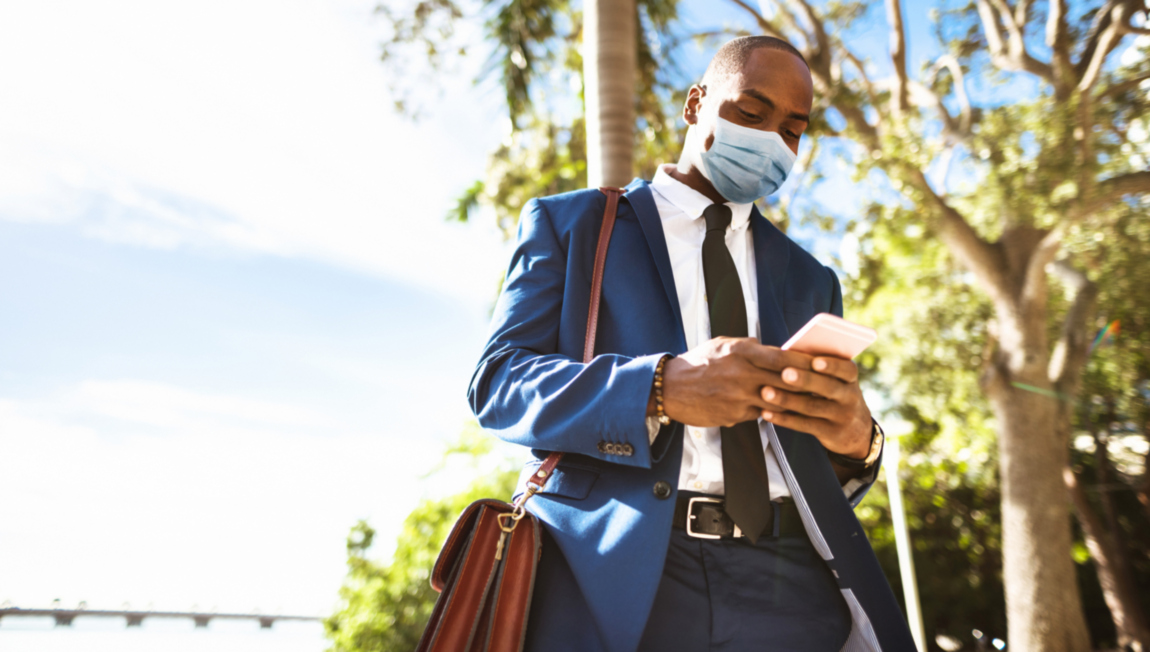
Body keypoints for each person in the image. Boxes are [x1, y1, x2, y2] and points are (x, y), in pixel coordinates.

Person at [468, 36, 916, 652]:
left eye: (792, 129)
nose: (771, 141)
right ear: (695, 104)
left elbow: (815, 455)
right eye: (751, 113)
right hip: (623, 573)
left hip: (790, 583)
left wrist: (855, 446)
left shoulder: (813, 279)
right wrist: (659, 388)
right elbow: (498, 385)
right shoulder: (570, 226)